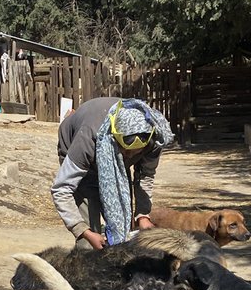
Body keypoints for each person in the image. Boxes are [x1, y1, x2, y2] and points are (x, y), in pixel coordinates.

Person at [51, 96, 175, 249]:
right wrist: (84, 231)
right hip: (81, 155)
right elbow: (61, 189)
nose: (129, 157)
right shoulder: (89, 139)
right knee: (88, 245)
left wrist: (142, 215)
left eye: (134, 154)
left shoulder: (154, 139)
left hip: (112, 160)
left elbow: (145, 176)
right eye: (125, 152)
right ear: (115, 139)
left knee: (125, 232)